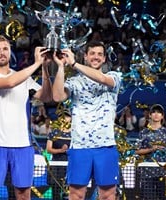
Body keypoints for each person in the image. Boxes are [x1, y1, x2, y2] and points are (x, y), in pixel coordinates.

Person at [0, 35, 52, 200]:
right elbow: (10, 82)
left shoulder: (25, 78)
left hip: (23, 145)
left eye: (5, 49)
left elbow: (46, 96)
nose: (2, 53)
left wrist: (45, 68)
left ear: (10, 52)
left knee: (24, 194)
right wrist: (36, 63)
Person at [52, 41, 122, 200]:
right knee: (76, 194)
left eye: (99, 54)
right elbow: (57, 96)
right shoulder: (74, 82)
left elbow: (102, 79)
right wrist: (61, 66)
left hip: (105, 146)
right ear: (86, 56)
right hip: (79, 147)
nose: (96, 57)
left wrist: (74, 64)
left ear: (104, 59)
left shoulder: (114, 77)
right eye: (92, 53)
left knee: (108, 195)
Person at [136, 104, 166, 200]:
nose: (156, 114)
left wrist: (163, 149)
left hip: (163, 173)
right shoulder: (143, 132)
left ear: (162, 116)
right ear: (150, 115)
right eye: (153, 112)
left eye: (159, 112)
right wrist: (151, 149)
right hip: (147, 172)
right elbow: (137, 151)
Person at [46, 109, 72, 200]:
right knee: (56, 191)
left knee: (69, 191)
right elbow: (48, 149)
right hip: (56, 165)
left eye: (67, 116)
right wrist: (61, 150)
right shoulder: (54, 133)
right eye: (63, 116)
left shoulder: (75, 133)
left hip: (70, 165)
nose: (65, 118)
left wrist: (69, 151)